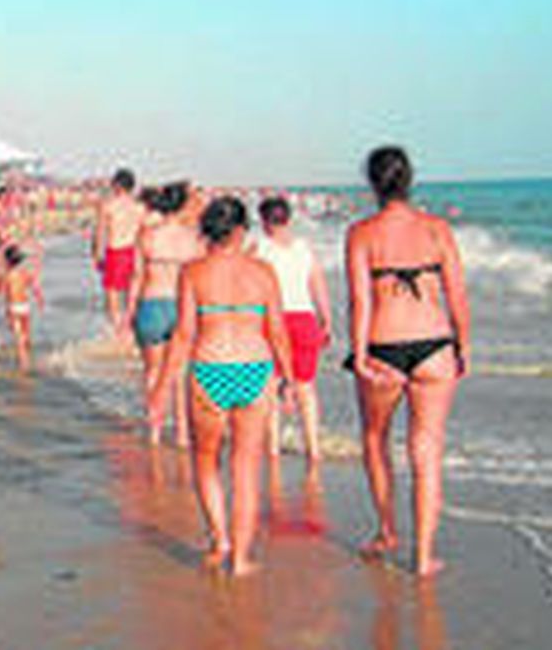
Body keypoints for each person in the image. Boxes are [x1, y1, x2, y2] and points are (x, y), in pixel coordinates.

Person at [345, 146, 470, 577]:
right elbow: (456, 294)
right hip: (435, 345)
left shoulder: (361, 233)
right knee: (427, 450)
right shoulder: (437, 229)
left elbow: (359, 301)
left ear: (371, 182)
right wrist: (463, 346)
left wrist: (360, 355)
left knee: (374, 438)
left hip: (383, 346)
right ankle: (423, 556)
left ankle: (386, 531)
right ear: (410, 179)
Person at [150, 196, 292, 576]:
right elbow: (278, 331)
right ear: (242, 230)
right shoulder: (262, 272)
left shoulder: (193, 272)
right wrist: (291, 380)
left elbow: (183, 335)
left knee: (206, 460)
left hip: (209, 368)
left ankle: (220, 539)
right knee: (246, 470)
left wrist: (161, 389)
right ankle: (241, 559)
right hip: (255, 369)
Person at [253, 195, 334, 467]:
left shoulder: (259, 249)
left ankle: (273, 449)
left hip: (272, 320)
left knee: (271, 385)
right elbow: (318, 285)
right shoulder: (304, 248)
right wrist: (326, 320)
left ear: (265, 221)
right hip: (304, 319)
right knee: (306, 387)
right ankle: (314, 449)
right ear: (288, 219)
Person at [132, 183, 204, 446]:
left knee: (153, 371)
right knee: (179, 374)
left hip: (152, 301)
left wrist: (131, 311)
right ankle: (183, 433)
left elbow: (137, 276)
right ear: (183, 205)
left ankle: (155, 431)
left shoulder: (147, 235)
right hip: (182, 306)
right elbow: (200, 277)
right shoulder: (193, 239)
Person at [93, 168, 145, 337]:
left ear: (117, 185)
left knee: (113, 296)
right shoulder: (140, 207)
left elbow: (100, 232)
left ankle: (117, 332)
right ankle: (129, 329)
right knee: (132, 295)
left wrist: (97, 255)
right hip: (134, 252)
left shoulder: (108, 206)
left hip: (116, 251)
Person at [2, 242, 44, 371]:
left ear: (7, 261)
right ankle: (29, 357)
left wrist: (7, 313)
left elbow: (7, 295)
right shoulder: (25, 273)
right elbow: (35, 288)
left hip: (14, 307)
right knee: (26, 335)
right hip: (25, 306)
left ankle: (23, 365)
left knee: (19, 338)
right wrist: (40, 301)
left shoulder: (8, 276)